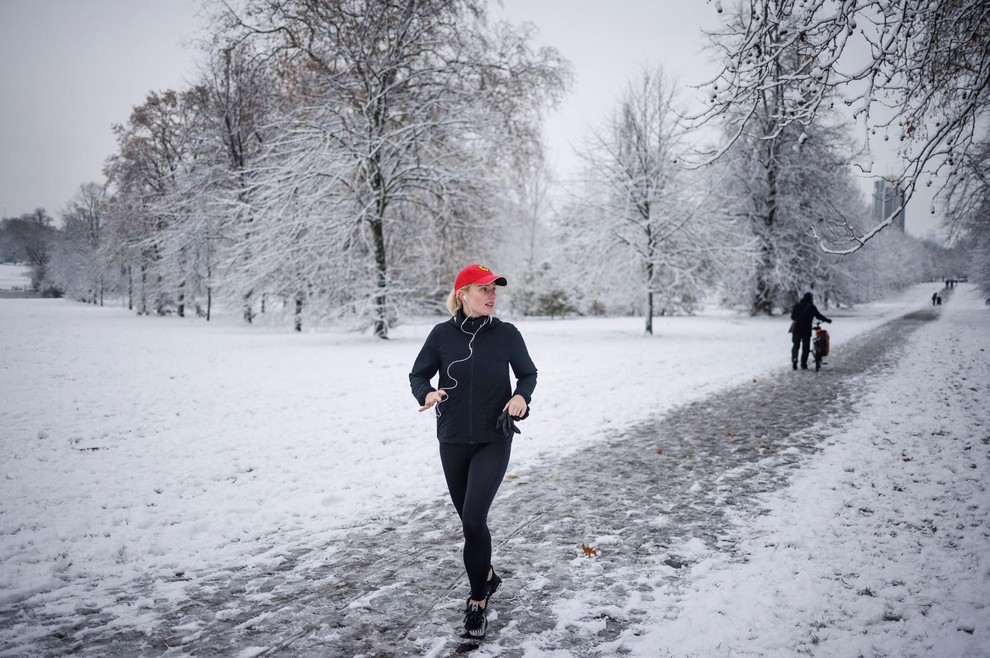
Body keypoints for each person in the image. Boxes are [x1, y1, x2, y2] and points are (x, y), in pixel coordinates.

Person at [409, 263, 537, 639]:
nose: (492, 295)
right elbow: (418, 374)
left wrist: (520, 397)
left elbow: (527, 374)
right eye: (484, 289)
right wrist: (427, 393)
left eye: (494, 289)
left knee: (472, 519)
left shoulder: (507, 335)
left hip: (492, 438)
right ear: (463, 293)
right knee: (469, 520)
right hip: (451, 438)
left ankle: (477, 601)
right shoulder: (440, 335)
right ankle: (488, 574)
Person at [790, 291, 831, 370]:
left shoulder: (797, 305)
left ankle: (794, 360)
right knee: (805, 348)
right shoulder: (811, 307)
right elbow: (818, 316)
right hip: (806, 329)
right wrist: (827, 320)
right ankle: (803, 364)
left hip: (796, 328)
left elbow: (792, 317)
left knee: (795, 346)